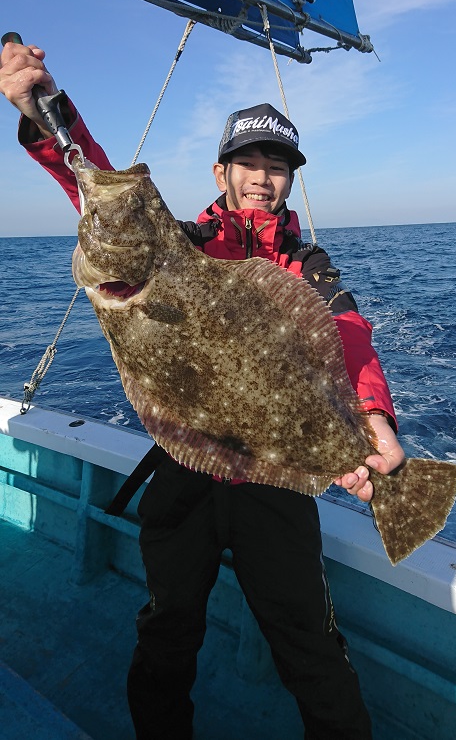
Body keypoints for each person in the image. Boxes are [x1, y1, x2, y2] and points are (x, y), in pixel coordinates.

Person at [0, 41, 405, 740]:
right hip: (186, 468)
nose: (262, 178)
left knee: (308, 644)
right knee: (167, 627)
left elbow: (346, 331)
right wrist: (47, 111)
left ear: (288, 181)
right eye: (249, 162)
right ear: (221, 171)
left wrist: (373, 419)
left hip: (274, 484)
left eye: (276, 167)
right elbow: (98, 191)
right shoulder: (181, 245)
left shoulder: (307, 263)